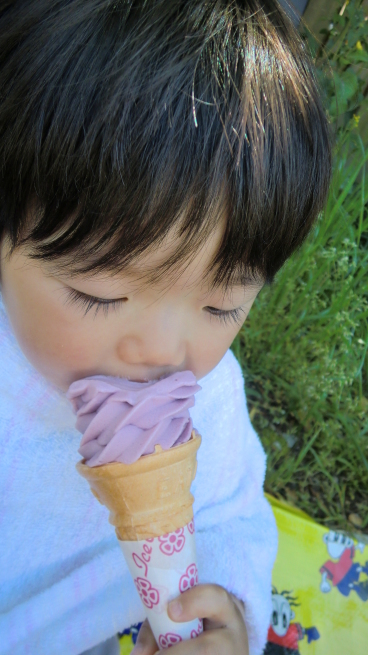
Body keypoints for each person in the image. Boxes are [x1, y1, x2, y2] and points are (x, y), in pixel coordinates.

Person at [0, 1, 332, 654]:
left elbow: (230, 517)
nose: (160, 351)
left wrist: (229, 611)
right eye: (98, 293)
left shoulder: (210, 397)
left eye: (219, 307)